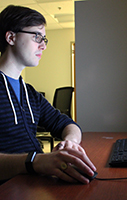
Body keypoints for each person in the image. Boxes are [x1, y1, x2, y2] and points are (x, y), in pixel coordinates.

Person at [0, 5, 96, 185]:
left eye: (44, 39)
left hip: (34, 184)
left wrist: (70, 142)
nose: (43, 45)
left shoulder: (29, 92)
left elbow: (67, 123)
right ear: (11, 37)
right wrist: (34, 161)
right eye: (37, 36)